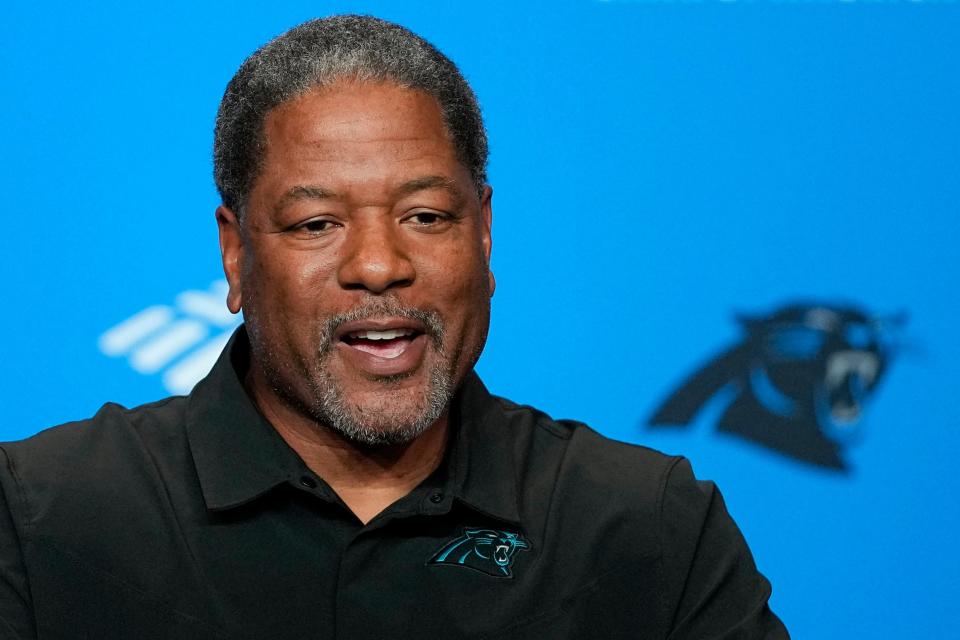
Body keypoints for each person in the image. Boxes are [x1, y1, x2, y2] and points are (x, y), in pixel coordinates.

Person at [0, 15, 788, 639]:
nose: (379, 265)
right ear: (236, 256)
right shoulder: (43, 520)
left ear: (482, 234)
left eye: (426, 215)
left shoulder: (646, 528)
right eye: (315, 224)